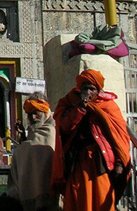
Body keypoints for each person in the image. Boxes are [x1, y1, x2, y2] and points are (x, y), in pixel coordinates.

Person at [51, 69, 131, 211]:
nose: (88, 92)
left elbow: (120, 138)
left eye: (92, 89)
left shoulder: (108, 106)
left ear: (98, 91)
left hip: (101, 164)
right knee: (77, 200)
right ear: (79, 89)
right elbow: (64, 128)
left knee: (102, 200)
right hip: (77, 163)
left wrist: (119, 162)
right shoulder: (70, 102)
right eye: (85, 88)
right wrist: (80, 108)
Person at [7, 92, 60, 211]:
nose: (33, 118)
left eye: (36, 113)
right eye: (30, 114)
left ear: (45, 112)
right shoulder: (32, 133)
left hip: (53, 194)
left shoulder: (54, 129)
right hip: (32, 199)